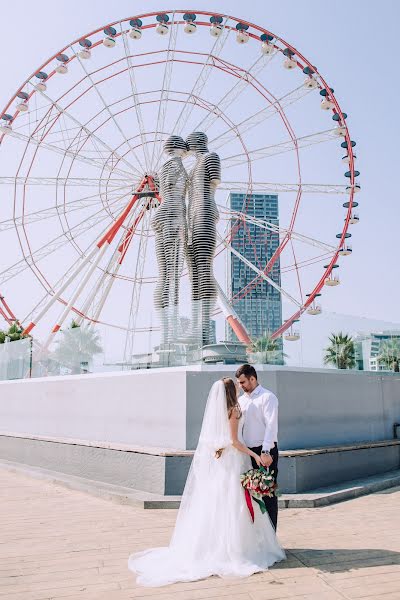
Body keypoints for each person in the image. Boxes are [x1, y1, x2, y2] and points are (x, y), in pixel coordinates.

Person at [128, 378, 285, 587]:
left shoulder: (221, 412)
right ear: (231, 391)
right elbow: (235, 442)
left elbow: (220, 440)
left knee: (220, 502)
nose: (239, 386)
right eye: (236, 385)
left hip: (225, 461)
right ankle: (236, 549)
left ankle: (212, 546)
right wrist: (254, 456)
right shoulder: (234, 410)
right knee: (234, 503)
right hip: (236, 461)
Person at [151, 135, 188, 345]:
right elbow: (174, 195)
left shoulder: (169, 166)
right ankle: (168, 335)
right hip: (172, 219)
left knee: (166, 277)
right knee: (170, 279)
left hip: (166, 216)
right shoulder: (175, 166)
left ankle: (168, 333)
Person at [236, 364, 280, 530]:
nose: (241, 386)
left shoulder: (268, 397)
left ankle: (271, 538)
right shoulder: (241, 401)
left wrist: (266, 451)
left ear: (253, 379)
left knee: (267, 494)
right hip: (248, 454)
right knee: (250, 495)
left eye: (243, 382)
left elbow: (271, 426)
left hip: (264, 452)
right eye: (239, 383)